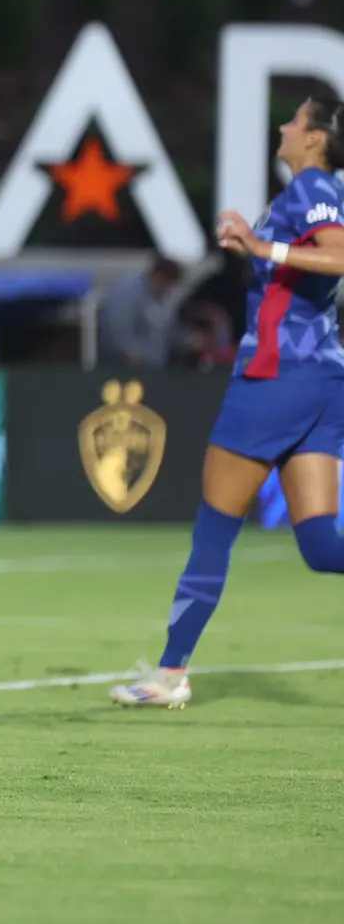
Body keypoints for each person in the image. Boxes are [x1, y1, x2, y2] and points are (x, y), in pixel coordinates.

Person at [112, 97, 344, 710]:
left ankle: (169, 674)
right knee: (322, 547)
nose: (284, 128)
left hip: (274, 380)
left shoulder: (313, 188)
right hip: (321, 382)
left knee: (213, 533)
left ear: (317, 138)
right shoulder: (307, 192)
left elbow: (341, 254)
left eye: (295, 121)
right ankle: (169, 671)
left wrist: (263, 249)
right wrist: (255, 243)